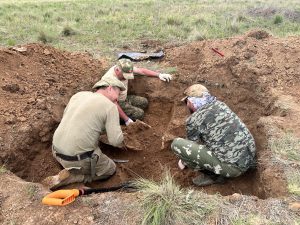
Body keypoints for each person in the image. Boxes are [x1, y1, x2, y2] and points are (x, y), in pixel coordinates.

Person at [42, 77, 126, 190]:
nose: (117, 99)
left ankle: (71, 169)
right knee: (110, 169)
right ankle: (74, 177)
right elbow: (115, 141)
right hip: (77, 159)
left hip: (56, 151)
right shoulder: (110, 107)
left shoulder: (78, 95)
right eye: (118, 94)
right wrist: (124, 136)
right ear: (110, 88)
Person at [171, 84, 256, 187]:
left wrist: (184, 159)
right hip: (250, 155)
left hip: (234, 168)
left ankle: (214, 176)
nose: (187, 104)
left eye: (187, 101)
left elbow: (191, 144)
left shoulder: (193, 120)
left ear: (193, 101)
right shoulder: (221, 105)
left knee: (176, 144)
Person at [93, 58, 172, 125]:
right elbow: (113, 103)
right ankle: (115, 120)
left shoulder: (125, 67)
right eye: (124, 75)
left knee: (144, 102)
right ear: (117, 70)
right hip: (114, 105)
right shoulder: (109, 80)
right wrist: (126, 119)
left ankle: (126, 112)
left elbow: (142, 71)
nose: (126, 78)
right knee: (139, 114)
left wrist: (159, 75)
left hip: (124, 99)